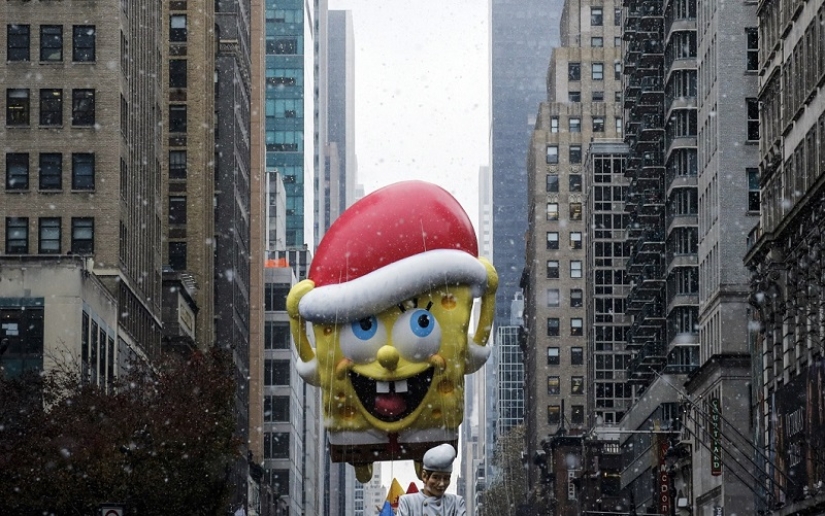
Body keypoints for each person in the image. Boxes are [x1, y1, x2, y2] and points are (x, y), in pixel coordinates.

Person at [397, 444, 466, 516]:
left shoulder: (456, 503)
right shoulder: (407, 502)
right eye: (436, 477)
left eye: (446, 478)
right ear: (424, 476)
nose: (442, 483)